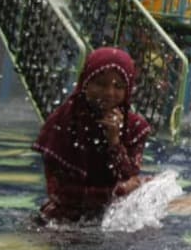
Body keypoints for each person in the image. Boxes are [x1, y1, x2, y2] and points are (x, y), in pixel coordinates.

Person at [32, 47, 151, 222]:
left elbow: (128, 176)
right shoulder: (62, 122)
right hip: (64, 222)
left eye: (118, 86)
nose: (109, 93)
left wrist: (114, 141)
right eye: (101, 84)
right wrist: (118, 191)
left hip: (114, 220)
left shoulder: (134, 127)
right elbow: (59, 193)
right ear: (85, 83)